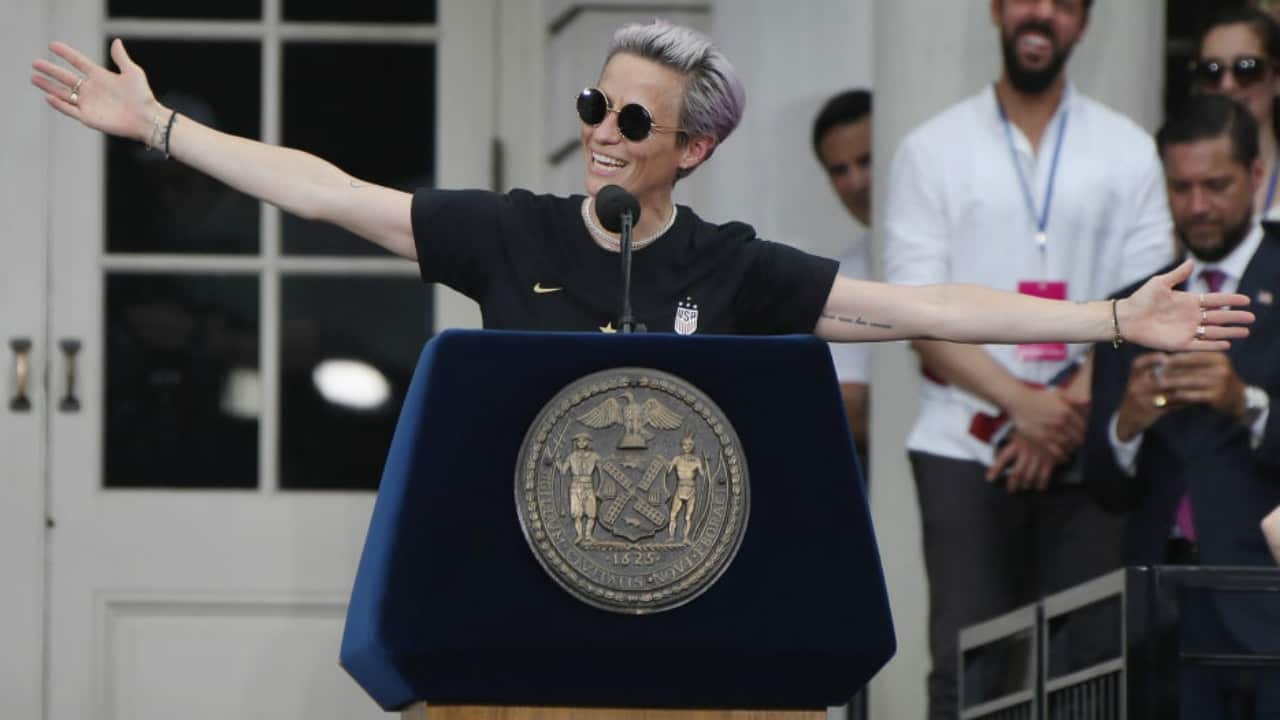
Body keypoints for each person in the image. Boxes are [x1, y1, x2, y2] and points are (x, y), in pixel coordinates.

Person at [30, 22, 1247, 389]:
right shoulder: (512, 233)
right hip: (517, 561)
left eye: (631, 123)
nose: (600, 137)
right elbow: (330, 192)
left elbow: (910, 303)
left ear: (691, 152)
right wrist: (166, 130)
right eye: (591, 107)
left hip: (680, 576)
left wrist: (1106, 321)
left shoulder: (731, 265)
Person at [881, 1, 1181, 716]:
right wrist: (1025, 404)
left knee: (1091, 670)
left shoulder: (1128, 147)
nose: (1040, 13)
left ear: (1083, 21)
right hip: (964, 440)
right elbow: (912, 311)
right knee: (970, 666)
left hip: (1090, 448)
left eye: (1063, 2)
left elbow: (1145, 299)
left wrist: (1067, 407)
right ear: (996, 10)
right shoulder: (933, 148)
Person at [1083, 93, 1280, 719]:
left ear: (1255, 175)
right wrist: (1126, 424)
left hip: (1267, 594)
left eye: (1215, 185)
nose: (1197, 205)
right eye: (1181, 187)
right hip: (1160, 612)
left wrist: (1246, 403)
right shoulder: (1135, 304)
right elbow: (1103, 485)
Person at [812, 89, 873, 453]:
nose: (856, 182)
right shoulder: (846, 274)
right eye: (840, 170)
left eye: (867, 161)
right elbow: (848, 408)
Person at [1191, 7, 1280, 220]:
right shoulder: (1175, 182)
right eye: (1212, 71)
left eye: (1247, 68)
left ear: (1277, 78)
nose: (1228, 85)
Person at [557, 433, 603, 544]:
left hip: (588, 486)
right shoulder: (571, 456)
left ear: (588, 442)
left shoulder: (595, 456)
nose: (581, 443)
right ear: (576, 443)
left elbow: (602, 473)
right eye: (579, 441)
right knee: (576, 513)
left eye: (584, 440)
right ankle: (579, 535)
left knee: (592, 512)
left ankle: (588, 535)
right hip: (575, 487)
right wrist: (557, 461)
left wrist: (600, 488)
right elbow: (563, 471)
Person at [666, 433, 708, 542]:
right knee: (673, 515)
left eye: (690, 444)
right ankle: (671, 537)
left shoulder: (697, 460)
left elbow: (703, 475)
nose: (687, 447)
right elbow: (667, 471)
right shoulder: (676, 459)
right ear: (682, 446)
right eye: (685, 444)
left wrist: (707, 465)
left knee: (688, 517)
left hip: (691, 491)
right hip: (680, 489)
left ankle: (685, 538)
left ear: (693, 446)